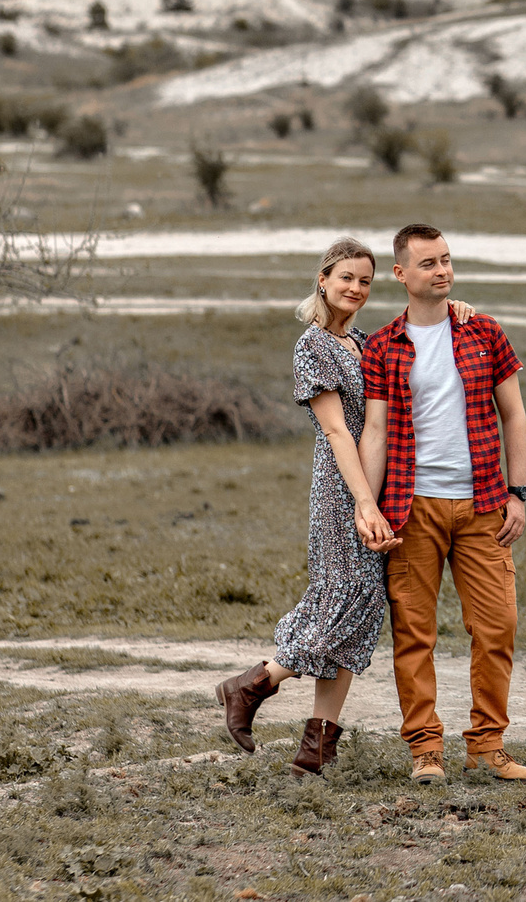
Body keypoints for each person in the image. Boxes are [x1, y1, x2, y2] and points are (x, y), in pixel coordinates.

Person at [360, 222, 526, 784]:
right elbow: (374, 432)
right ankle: (425, 751)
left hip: (484, 503)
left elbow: (514, 413)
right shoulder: (384, 345)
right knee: (414, 633)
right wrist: (368, 506)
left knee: (498, 626)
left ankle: (488, 746)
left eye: (446, 260)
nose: (442, 270)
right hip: (411, 510)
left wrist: (518, 491)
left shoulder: (483, 331)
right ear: (401, 274)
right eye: (429, 263)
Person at [213, 236, 401, 776]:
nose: (356, 289)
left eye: (366, 281)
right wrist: (365, 502)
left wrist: (459, 310)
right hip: (342, 489)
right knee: (345, 595)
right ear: (323, 279)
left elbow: (416, 332)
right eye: (346, 278)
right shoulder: (311, 346)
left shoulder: (365, 342)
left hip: (374, 485)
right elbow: (338, 430)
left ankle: (314, 750)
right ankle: (253, 685)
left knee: (360, 609)